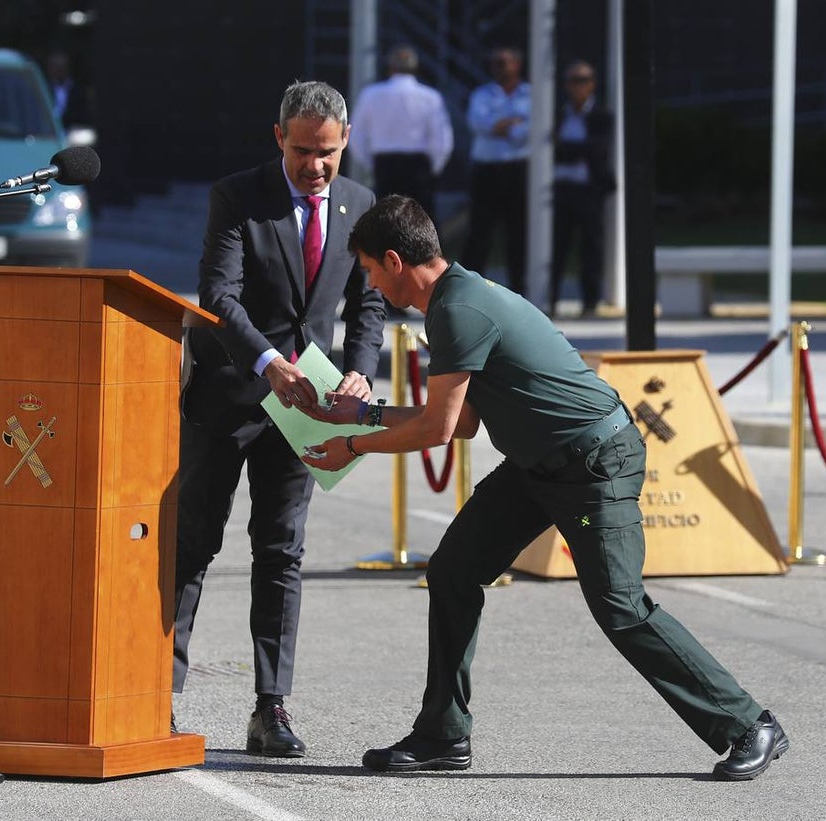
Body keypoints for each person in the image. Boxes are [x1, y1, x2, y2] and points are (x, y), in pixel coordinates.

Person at [301, 196, 789, 780]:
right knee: (455, 569)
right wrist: (355, 417)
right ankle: (441, 736)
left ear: (394, 259)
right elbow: (461, 422)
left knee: (619, 607)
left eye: (371, 272)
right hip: (539, 465)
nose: (371, 285)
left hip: (593, 463)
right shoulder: (457, 299)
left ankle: (747, 724)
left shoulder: (458, 310)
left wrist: (351, 444)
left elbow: (436, 429)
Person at [175, 80, 386, 759]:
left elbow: (369, 304)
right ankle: (156, 694)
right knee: (193, 544)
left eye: (326, 153)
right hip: (231, 396)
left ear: (344, 142)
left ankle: (270, 707)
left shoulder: (360, 206)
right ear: (279, 138)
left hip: (307, 409)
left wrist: (359, 368)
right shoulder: (238, 196)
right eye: (302, 151)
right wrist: (268, 362)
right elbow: (218, 295)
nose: (315, 166)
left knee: (281, 553)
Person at [351, 44, 454, 224]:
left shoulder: (371, 94)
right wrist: (433, 168)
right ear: (415, 68)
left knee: (385, 224)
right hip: (418, 166)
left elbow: (355, 136)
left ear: (390, 67)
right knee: (423, 224)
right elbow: (442, 141)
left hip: (385, 164)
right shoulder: (430, 97)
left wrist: (371, 163)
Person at [550, 59, 616, 317]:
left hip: (589, 190)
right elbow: (550, 149)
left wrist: (567, 149)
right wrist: (576, 150)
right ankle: (550, 299)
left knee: (591, 246)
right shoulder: (558, 114)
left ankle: (590, 301)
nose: (578, 86)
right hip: (560, 190)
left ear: (593, 85)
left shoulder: (601, 115)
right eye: (573, 81)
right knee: (558, 246)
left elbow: (597, 150)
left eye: (583, 80)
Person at [463, 46, 530, 297]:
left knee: (518, 232)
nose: (500, 67)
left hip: (517, 170)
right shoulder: (482, 93)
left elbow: (529, 131)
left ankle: (520, 290)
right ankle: (468, 289)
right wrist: (511, 124)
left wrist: (500, 126)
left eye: (505, 61)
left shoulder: (531, 94)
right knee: (479, 232)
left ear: (517, 64)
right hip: (486, 170)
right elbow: (477, 123)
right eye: (496, 62)